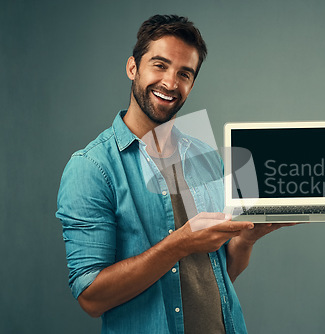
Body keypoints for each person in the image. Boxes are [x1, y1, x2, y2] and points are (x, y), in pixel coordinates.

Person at [56, 14, 292, 334]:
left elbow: (217, 275)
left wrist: (246, 239)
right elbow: (92, 299)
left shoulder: (205, 156)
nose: (170, 83)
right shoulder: (92, 167)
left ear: (192, 84)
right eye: (160, 65)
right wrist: (179, 244)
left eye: (184, 73)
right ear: (132, 68)